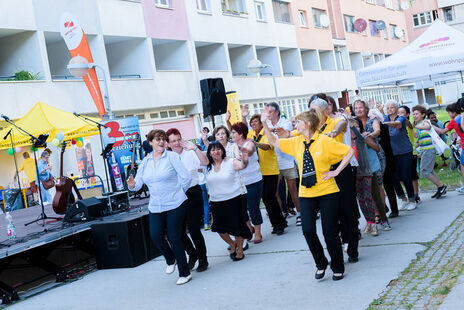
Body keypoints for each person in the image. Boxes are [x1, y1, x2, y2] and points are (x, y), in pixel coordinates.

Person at [263, 108, 354, 281]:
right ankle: (320, 263)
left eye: (298, 122)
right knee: (307, 230)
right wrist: (264, 123)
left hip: (327, 190)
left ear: (308, 124)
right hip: (306, 192)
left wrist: (336, 172)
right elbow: (274, 141)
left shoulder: (324, 141)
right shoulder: (296, 141)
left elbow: (348, 151)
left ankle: (337, 266)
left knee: (329, 231)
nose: (295, 124)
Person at [126, 129, 192, 285]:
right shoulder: (145, 162)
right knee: (155, 235)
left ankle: (185, 272)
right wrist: (132, 185)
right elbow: (138, 184)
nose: (161, 141)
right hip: (156, 205)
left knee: (174, 237)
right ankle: (171, 258)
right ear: (151, 143)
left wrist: (178, 192)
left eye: (163, 139)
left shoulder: (172, 157)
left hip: (176, 203)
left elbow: (186, 177)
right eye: (157, 139)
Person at [166, 128, 209, 272]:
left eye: (178, 139)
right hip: (176, 197)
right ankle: (192, 254)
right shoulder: (167, 157)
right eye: (173, 141)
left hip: (192, 193)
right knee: (177, 231)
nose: (177, 143)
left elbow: (205, 162)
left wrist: (195, 148)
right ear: (168, 143)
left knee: (194, 229)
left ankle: (203, 258)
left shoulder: (190, 153)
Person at [204, 141, 251, 261]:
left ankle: (240, 250)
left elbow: (242, 166)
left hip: (234, 199)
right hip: (216, 202)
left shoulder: (230, 162)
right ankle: (232, 244)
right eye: (213, 150)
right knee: (218, 227)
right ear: (209, 153)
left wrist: (245, 158)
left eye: (218, 149)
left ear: (222, 150)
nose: (216, 152)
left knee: (237, 227)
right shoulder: (207, 166)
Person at [247, 114, 288, 235]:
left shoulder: (267, 134)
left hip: (270, 171)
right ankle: (276, 224)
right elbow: (240, 129)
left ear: (261, 123)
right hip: (259, 172)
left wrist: (256, 143)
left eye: (256, 122)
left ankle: (280, 224)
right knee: (266, 198)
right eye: (252, 122)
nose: (254, 124)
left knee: (270, 197)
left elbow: (267, 147)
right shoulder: (251, 135)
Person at [353, 100, 390, 231]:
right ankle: (372, 219)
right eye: (356, 108)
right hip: (360, 169)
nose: (358, 110)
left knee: (377, 190)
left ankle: (382, 217)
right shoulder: (350, 140)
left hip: (373, 165)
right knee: (364, 197)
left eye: (360, 107)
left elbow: (377, 136)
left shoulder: (370, 122)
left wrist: (366, 137)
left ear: (366, 108)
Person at [263, 102, 301, 226]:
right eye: (266, 112)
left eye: (269, 112)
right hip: (274, 163)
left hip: (288, 160)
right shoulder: (266, 124)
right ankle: (281, 215)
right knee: (275, 191)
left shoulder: (285, 122)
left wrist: (270, 130)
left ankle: (300, 213)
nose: (267, 114)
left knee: (292, 189)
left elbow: (283, 135)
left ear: (276, 112)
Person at [231, 122, 264, 243]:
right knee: (242, 209)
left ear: (240, 134)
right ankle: (250, 228)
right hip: (239, 184)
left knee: (253, 207)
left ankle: (258, 233)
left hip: (253, 181)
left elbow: (249, 151)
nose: (232, 134)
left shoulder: (249, 143)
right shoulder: (231, 146)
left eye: (234, 132)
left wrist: (241, 149)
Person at [383, 100, 416, 210]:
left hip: (405, 151)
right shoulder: (385, 118)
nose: (389, 109)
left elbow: (397, 125)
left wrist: (384, 124)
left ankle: (412, 199)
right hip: (392, 154)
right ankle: (403, 199)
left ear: (396, 109)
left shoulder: (401, 118)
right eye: (387, 108)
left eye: (392, 107)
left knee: (406, 176)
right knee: (394, 177)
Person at [411, 105, 447, 198]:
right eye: (413, 114)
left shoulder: (425, 122)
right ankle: (440, 188)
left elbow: (427, 127)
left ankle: (441, 186)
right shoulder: (418, 126)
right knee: (429, 170)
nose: (414, 116)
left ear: (423, 114)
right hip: (423, 151)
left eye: (416, 114)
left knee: (424, 172)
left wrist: (419, 127)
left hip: (429, 150)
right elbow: (420, 140)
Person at [432, 103, 464, 194]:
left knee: (462, 166)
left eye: (449, 112)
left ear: (453, 112)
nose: (449, 115)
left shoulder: (454, 121)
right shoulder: (461, 117)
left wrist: (432, 126)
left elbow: (442, 131)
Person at [398, 106, 420, 203]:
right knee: (401, 176)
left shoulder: (408, 123)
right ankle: (409, 191)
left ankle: (416, 194)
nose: (399, 114)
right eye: (398, 112)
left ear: (407, 114)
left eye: (402, 112)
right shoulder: (397, 124)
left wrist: (403, 118)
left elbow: (410, 125)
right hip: (401, 153)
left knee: (412, 175)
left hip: (411, 153)